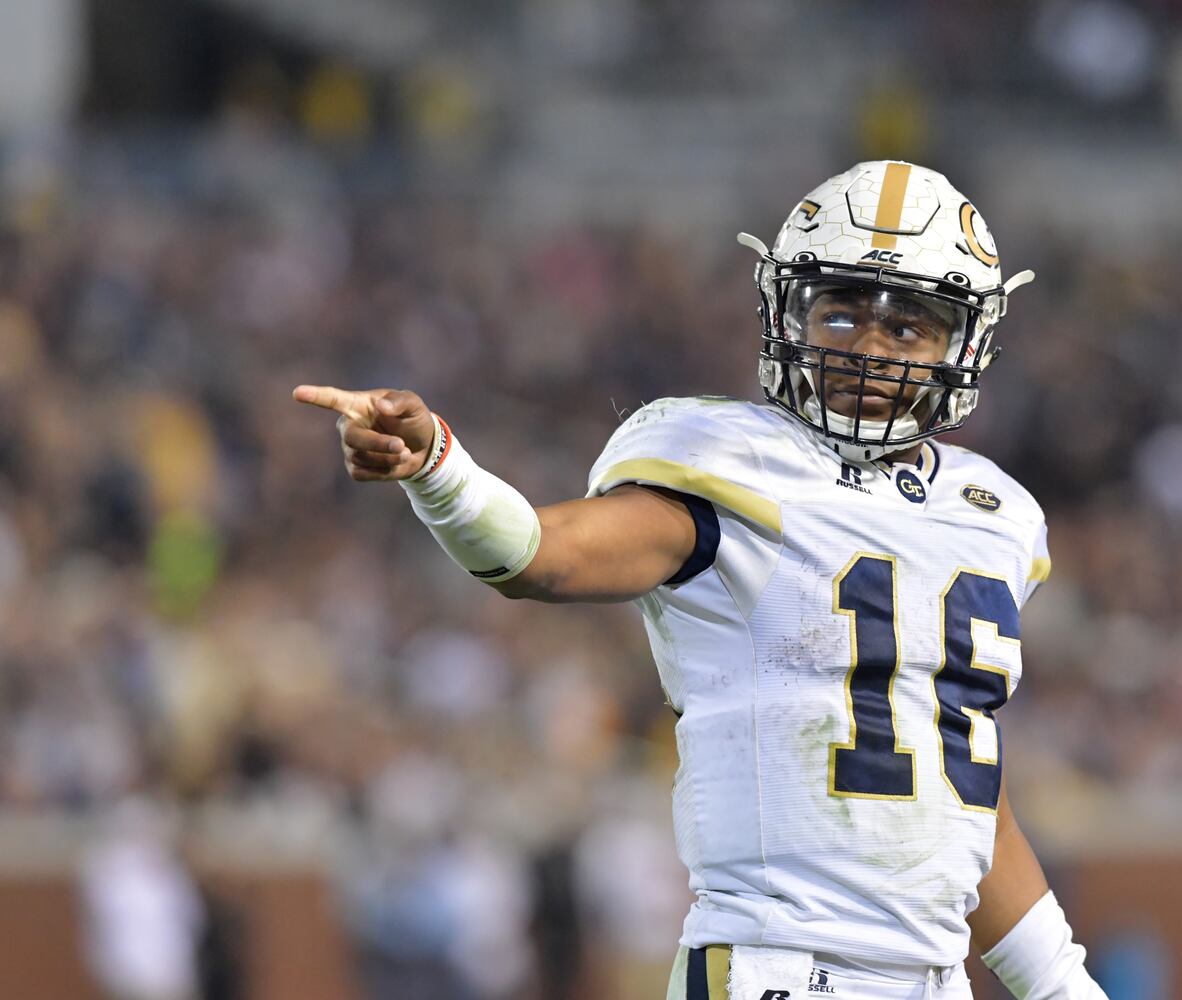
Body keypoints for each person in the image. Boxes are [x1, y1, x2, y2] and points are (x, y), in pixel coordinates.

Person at [296, 161, 1107, 1000]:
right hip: (776, 968)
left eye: (905, 328)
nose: (868, 348)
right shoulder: (733, 460)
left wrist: (1064, 988)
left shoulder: (993, 515)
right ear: (786, 313)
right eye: (840, 313)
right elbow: (541, 555)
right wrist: (439, 468)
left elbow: (964, 804)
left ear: (963, 346)